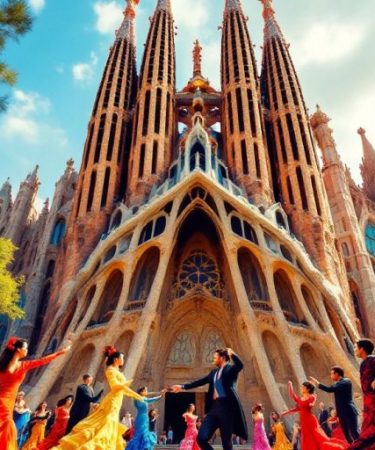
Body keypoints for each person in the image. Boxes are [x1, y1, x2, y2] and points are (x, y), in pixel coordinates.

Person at [51, 346, 144, 450]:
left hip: (118, 400)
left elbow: (123, 389)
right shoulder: (110, 370)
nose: (123, 360)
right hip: (112, 401)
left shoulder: (117, 371)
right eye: (122, 357)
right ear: (115, 359)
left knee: (109, 424)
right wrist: (125, 385)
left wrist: (137, 396)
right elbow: (115, 386)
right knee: (105, 423)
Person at [0, 336, 71, 450]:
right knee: (6, 431)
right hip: (6, 404)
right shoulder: (23, 365)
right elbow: (43, 360)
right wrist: (61, 352)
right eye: (25, 348)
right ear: (18, 349)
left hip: (3, 401)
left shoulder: (2, 366)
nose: (27, 350)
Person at [170, 348, 248, 450]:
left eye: (215, 358)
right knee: (201, 438)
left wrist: (232, 353)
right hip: (214, 408)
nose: (214, 360)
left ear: (223, 358)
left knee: (226, 444)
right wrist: (182, 387)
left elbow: (240, 365)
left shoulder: (230, 369)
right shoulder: (213, 373)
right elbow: (199, 382)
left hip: (227, 409)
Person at [281, 380, 347, 449]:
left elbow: (312, 402)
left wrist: (313, 402)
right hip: (304, 422)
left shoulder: (312, 397)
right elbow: (293, 398)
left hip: (310, 420)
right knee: (307, 438)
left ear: (308, 389)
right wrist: (290, 385)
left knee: (317, 437)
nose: (301, 388)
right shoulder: (301, 399)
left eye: (303, 387)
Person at [310, 366, 359, 443]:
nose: (331, 376)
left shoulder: (346, 381)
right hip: (342, 414)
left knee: (354, 432)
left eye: (332, 374)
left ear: (337, 374)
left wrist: (318, 384)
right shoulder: (338, 384)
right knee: (346, 435)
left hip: (349, 411)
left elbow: (330, 389)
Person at [348, 339, 375, 450]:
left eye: (356, 347)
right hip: (368, 403)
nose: (354, 350)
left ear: (362, 349)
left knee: (369, 433)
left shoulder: (372, 359)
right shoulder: (364, 362)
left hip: (373, 402)